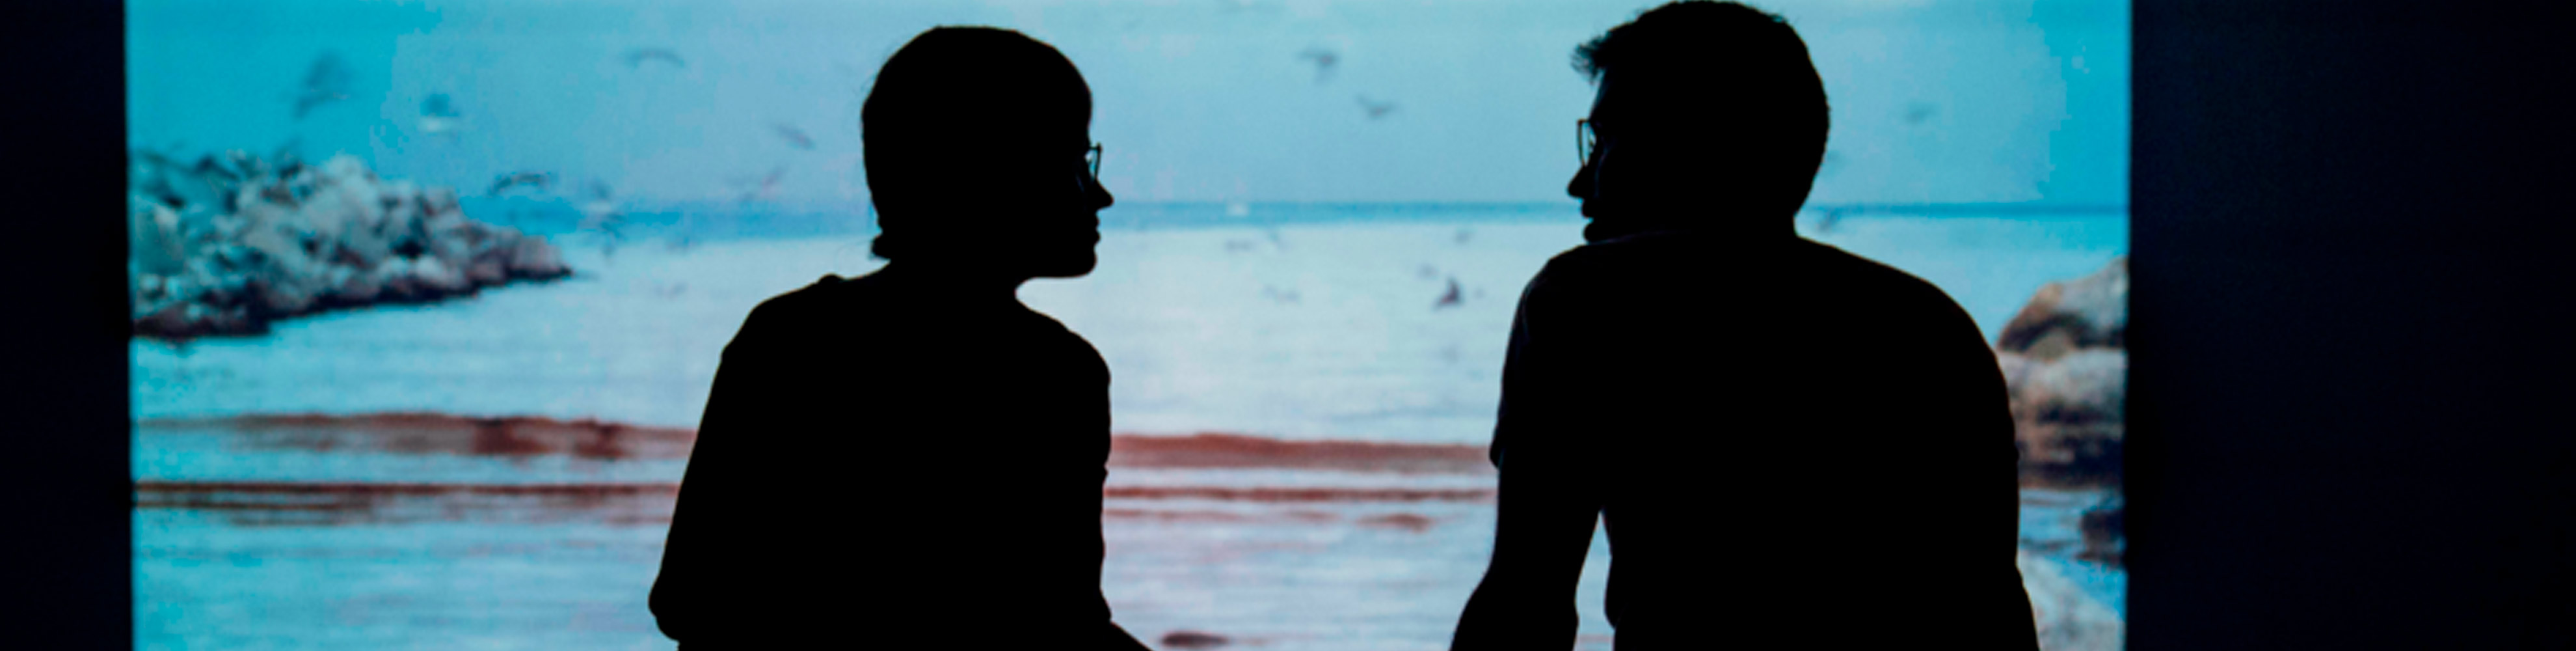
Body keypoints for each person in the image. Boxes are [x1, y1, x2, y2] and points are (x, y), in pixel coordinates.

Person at [1449, 3, 2039, 648]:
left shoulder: (1587, 298)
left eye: (1604, 141)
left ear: (1686, 143)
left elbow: (1526, 600)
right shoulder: (1931, 326)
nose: (1578, 182)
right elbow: (1993, 611)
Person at [649, 27, 1151, 650]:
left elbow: (688, 598)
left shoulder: (786, 338)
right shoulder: (1054, 373)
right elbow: (1060, 626)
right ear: (999, 176)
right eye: (1077, 164)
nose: (1100, 194)